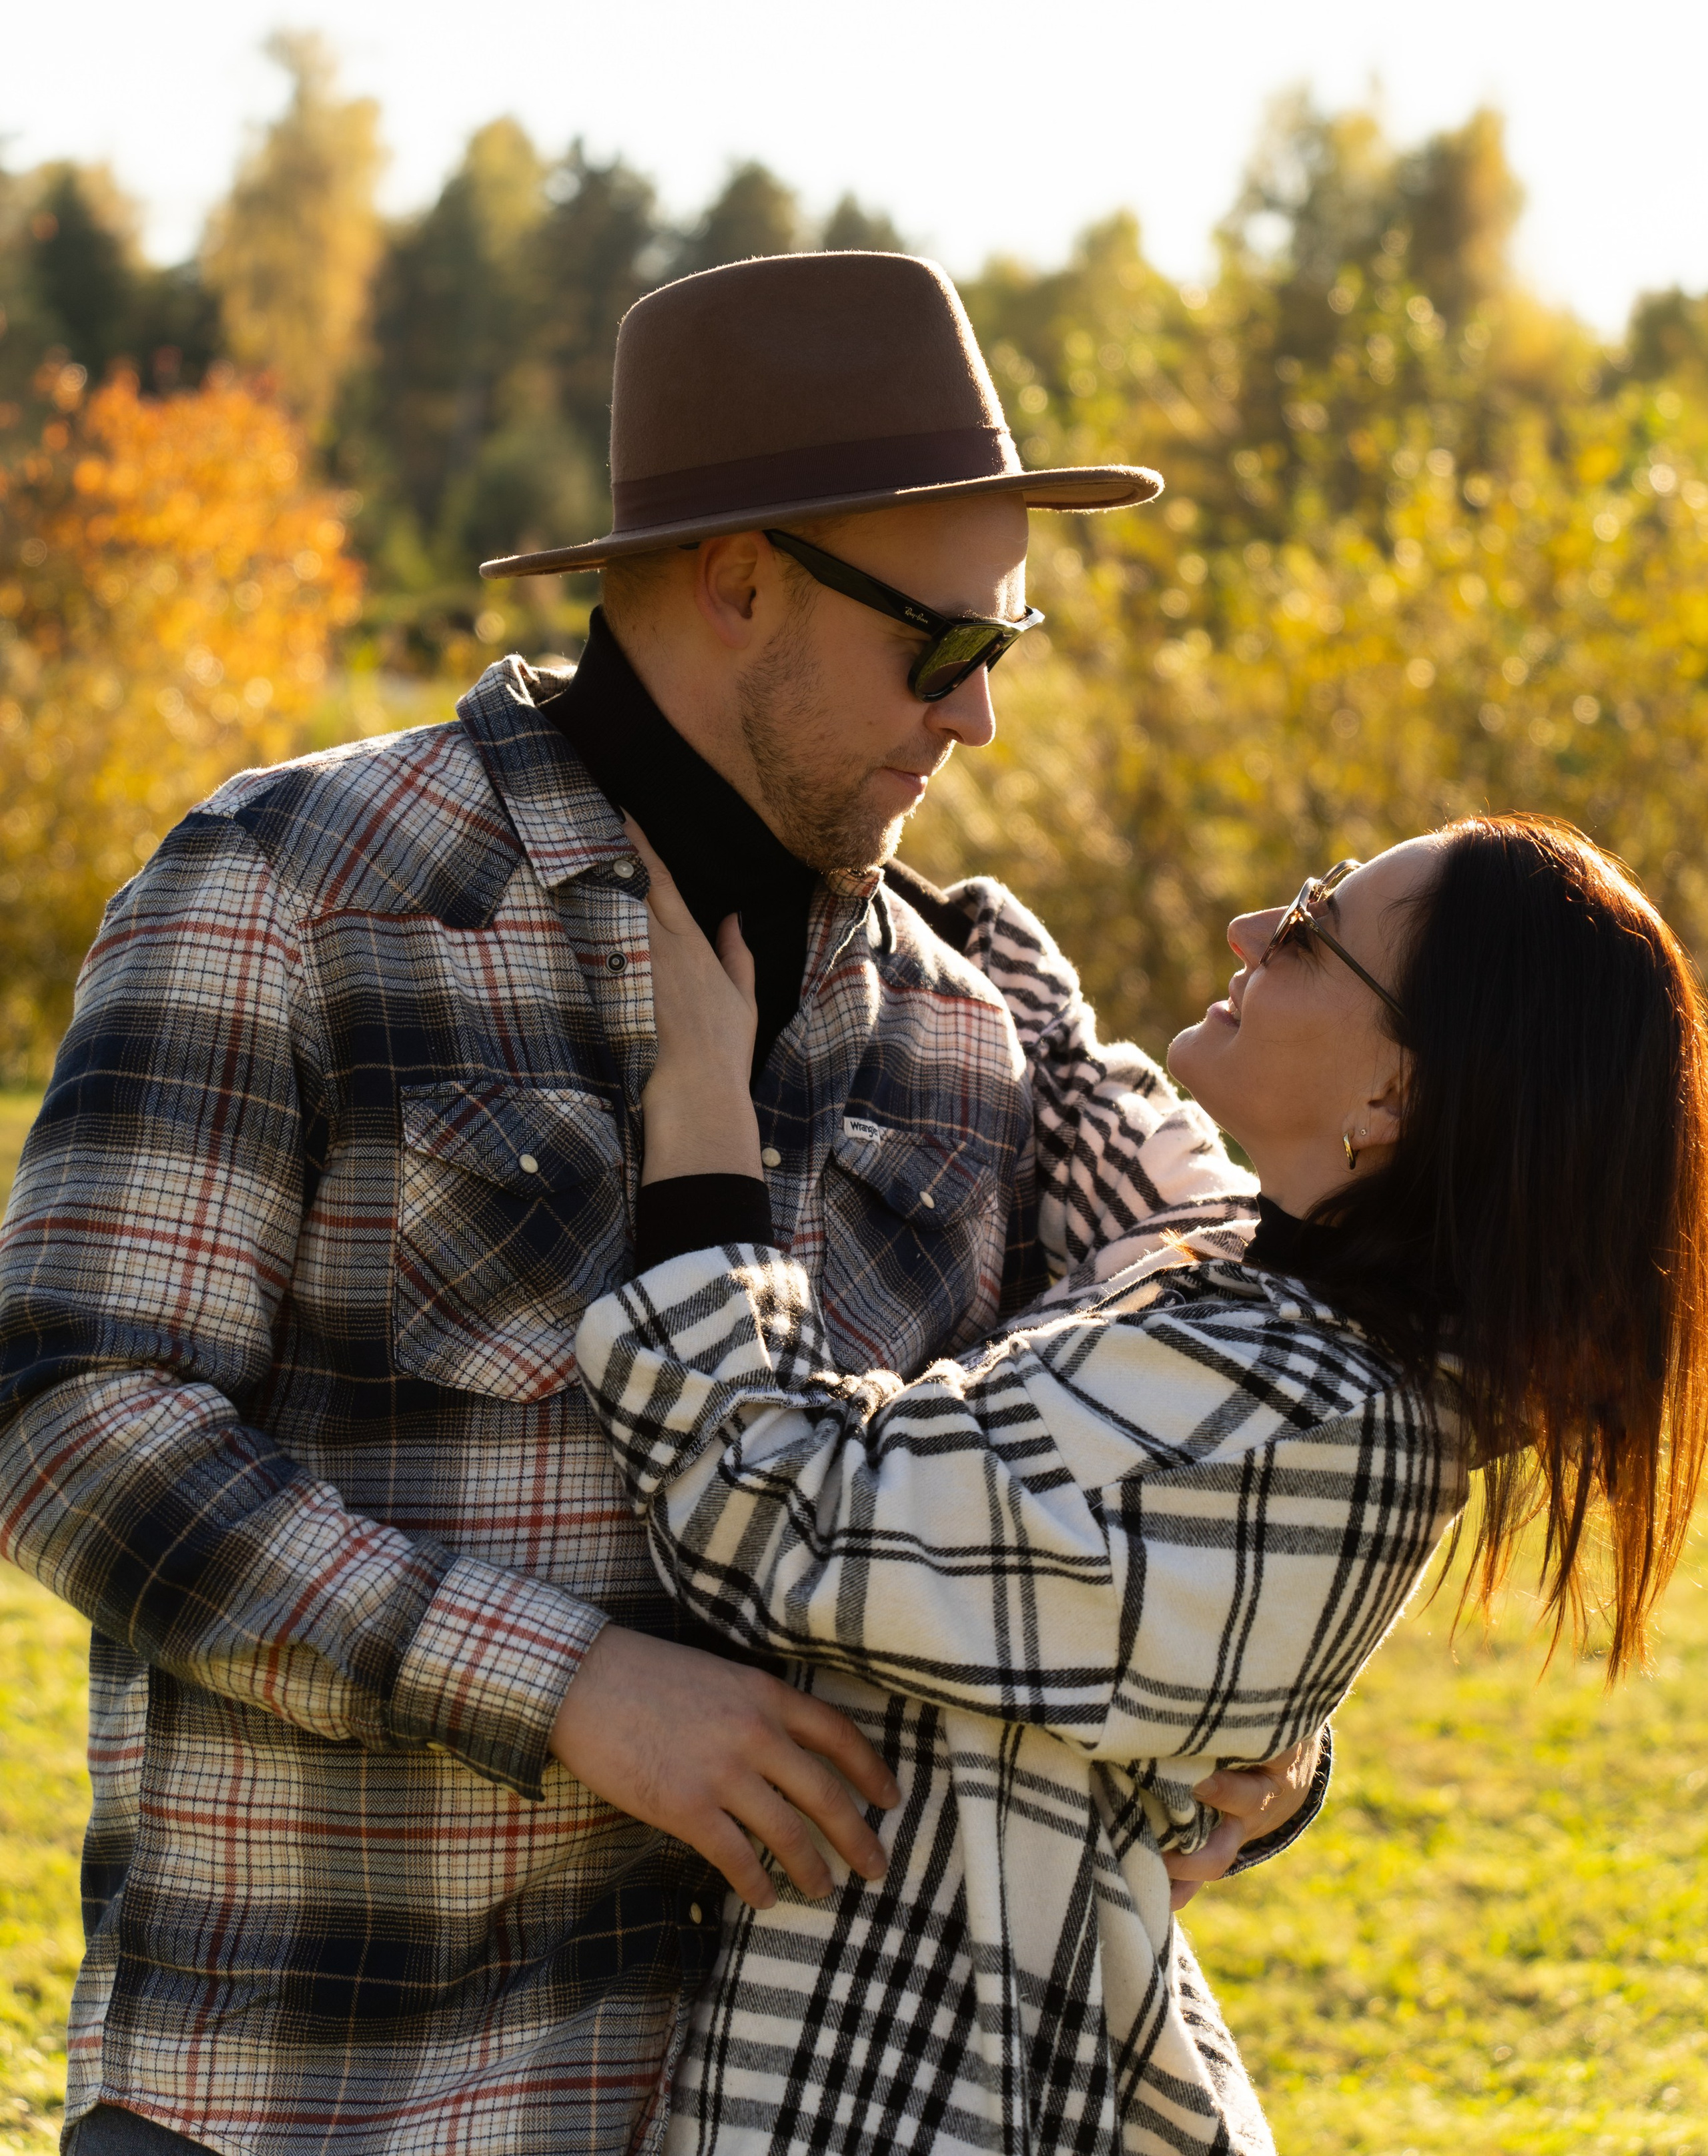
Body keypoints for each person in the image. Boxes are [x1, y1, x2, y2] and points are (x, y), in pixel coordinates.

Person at [0, 251, 1312, 2156]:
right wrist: (574, 1690)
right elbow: (72, 1421)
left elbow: (1114, 1492)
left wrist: (1258, 1746)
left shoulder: (974, 1020)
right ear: (739, 579)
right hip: (313, 2103)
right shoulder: (293, 882)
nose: (978, 725)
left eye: (1001, 657)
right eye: (949, 649)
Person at [574, 814, 1708, 2156]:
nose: (1245, 932)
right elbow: (1082, 1088)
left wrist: (699, 1110)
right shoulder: (1264, 1262)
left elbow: (792, 1517)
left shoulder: (1307, 1413)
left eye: (1306, 933)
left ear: (1391, 1098)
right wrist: (842, 835)